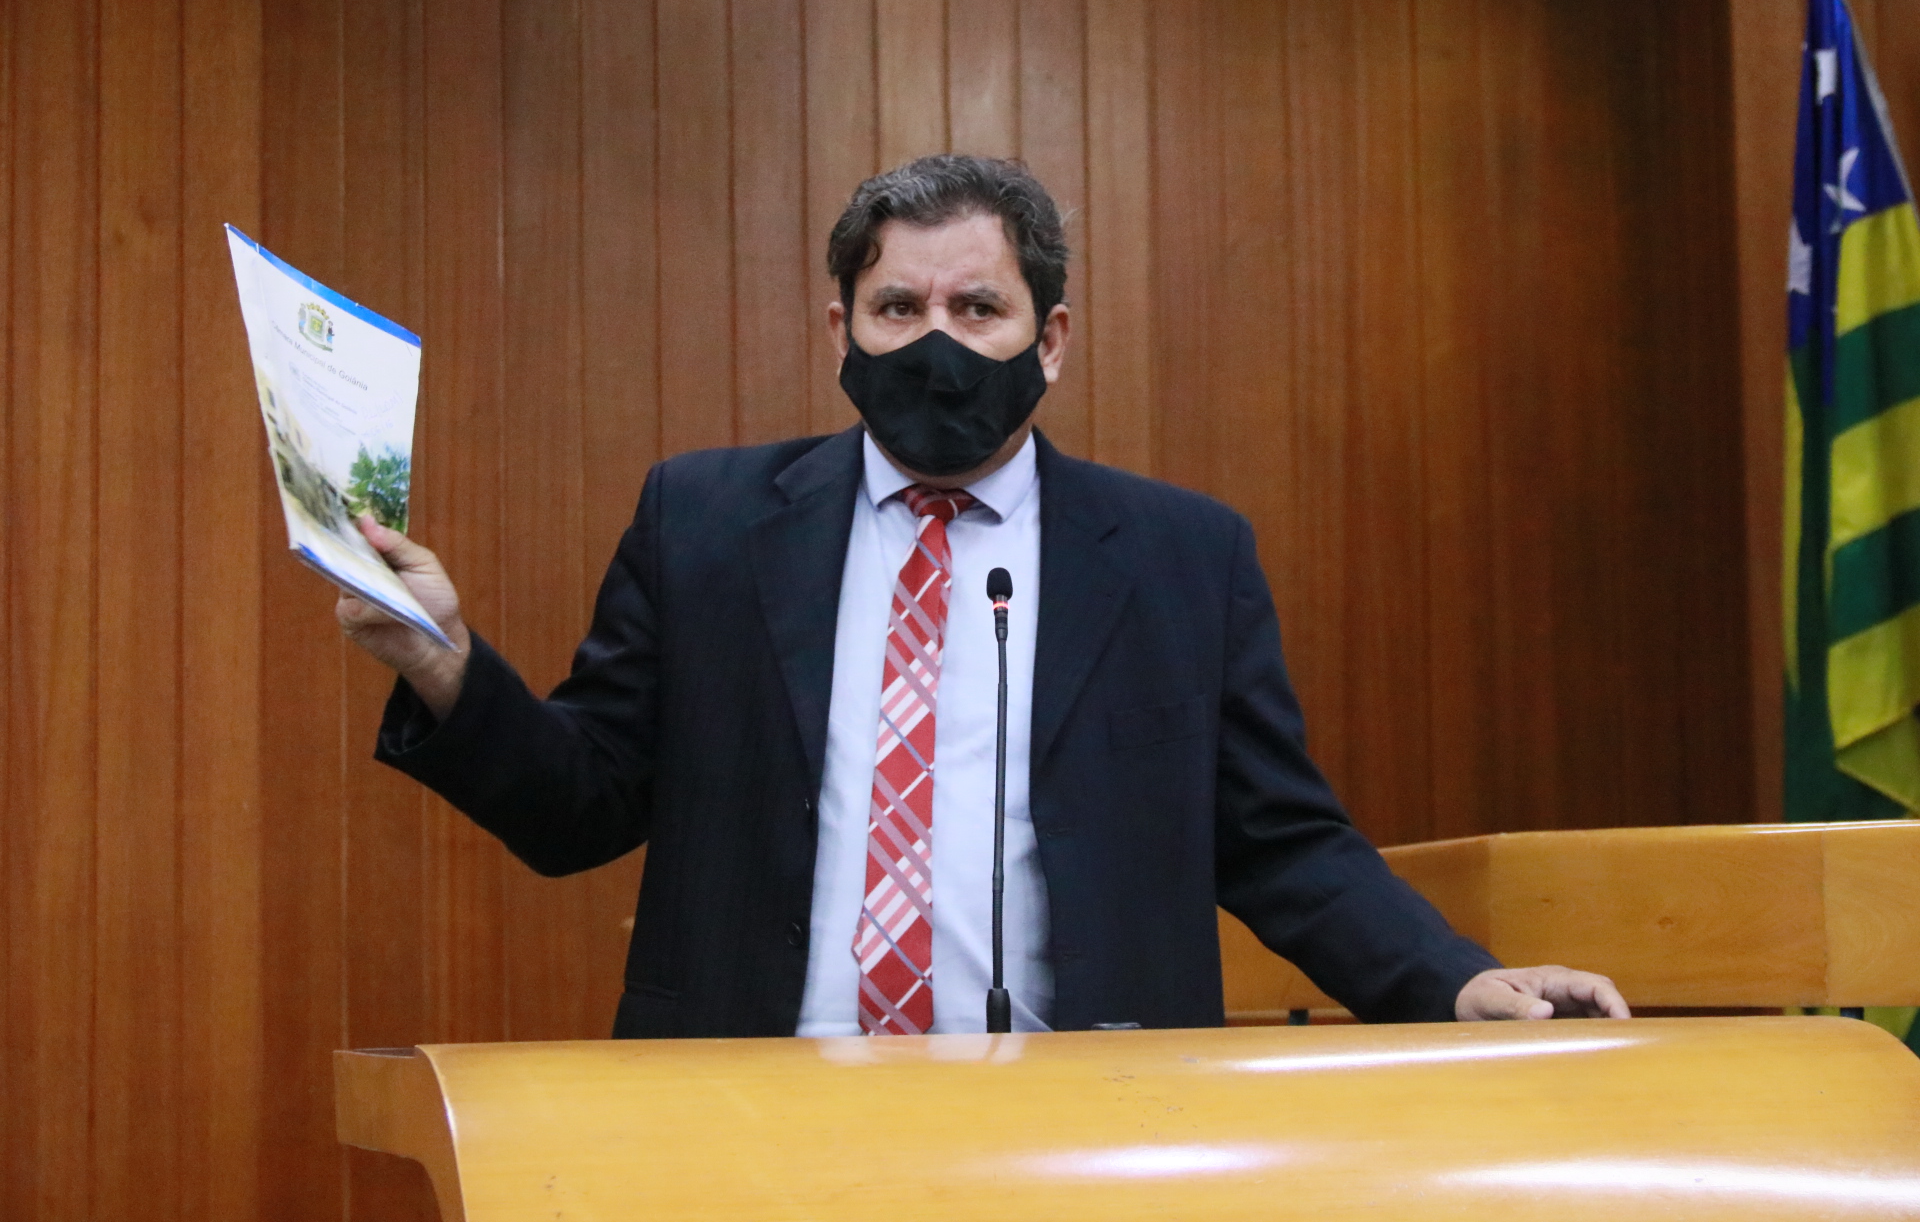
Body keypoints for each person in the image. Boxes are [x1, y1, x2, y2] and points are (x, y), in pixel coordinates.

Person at [342, 155, 1628, 1038]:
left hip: (1083, 1128)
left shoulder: (1182, 556)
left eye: (978, 307)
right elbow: (581, 803)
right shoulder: (709, 522)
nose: (936, 341)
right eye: (897, 307)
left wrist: (1454, 979)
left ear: (1049, 339)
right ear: (838, 330)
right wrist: (445, 663)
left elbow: (1280, 841)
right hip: (749, 1103)